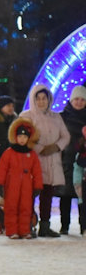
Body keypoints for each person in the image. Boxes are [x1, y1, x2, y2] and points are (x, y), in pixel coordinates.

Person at [19, 84, 70, 237]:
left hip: (52, 161)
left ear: (49, 100)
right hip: (34, 162)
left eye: (44, 99)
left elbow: (65, 136)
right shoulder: (26, 116)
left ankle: (45, 225)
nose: (41, 102)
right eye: (38, 99)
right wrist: (40, 148)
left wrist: (56, 147)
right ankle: (27, 224)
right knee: (30, 194)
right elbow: (23, 138)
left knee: (47, 195)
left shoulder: (56, 116)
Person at [0, 118, 43, 239]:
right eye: (20, 137)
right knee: (11, 208)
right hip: (12, 185)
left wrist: (37, 186)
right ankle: (12, 230)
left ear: (28, 139)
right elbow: (2, 169)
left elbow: (37, 172)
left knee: (26, 208)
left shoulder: (32, 155)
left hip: (27, 185)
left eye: (25, 137)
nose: (22, 139)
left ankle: (25, 230)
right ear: (15, 137)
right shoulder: (9, 153)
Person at [59, 85, 86, 235]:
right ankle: (64, 226)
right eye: (76, 99)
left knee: (84, 196)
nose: (79, 102)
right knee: (66, 195)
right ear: (71, 100)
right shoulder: (62, 117)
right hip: (67, 160)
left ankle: (84, 226)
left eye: (82, 100)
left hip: (83, 161)